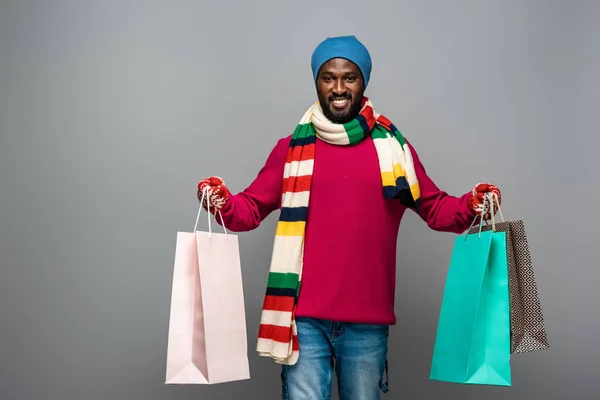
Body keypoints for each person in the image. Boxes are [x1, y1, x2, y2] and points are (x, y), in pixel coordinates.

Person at [196, 35, 501, 400]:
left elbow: (435, 209)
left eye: (349, 77)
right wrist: (220, 200)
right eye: (328, 77)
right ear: (317, 82)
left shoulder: (394, 150)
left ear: (362, 82)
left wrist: (473, 204)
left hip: (367, 323)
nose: (338, 87)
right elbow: (248, 210)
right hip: (302, 319)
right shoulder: (291, 149)